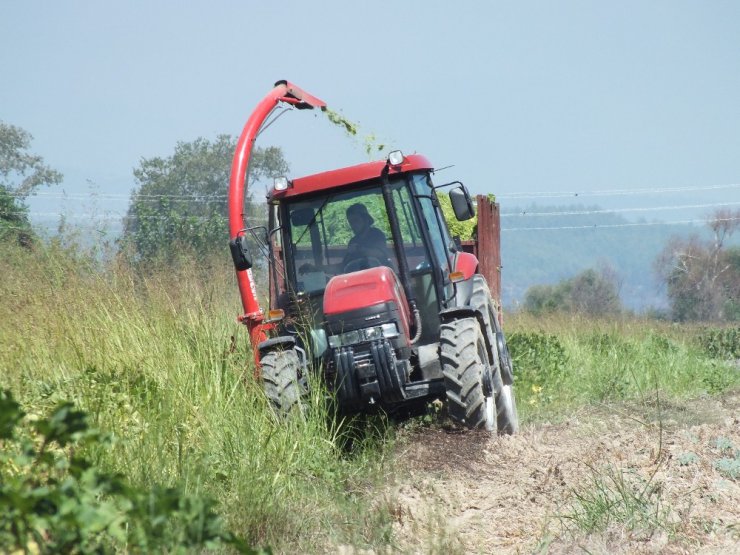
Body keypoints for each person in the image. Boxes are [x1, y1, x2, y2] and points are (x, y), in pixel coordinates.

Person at [341, 203, 391, 270]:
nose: (353, 225)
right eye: (351, 222)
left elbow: (380, 254)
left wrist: (359, 249)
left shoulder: (377, 234)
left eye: (356, 220)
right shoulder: (353, 241)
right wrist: (323, 268)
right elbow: (344, 266)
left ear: (366, 219)